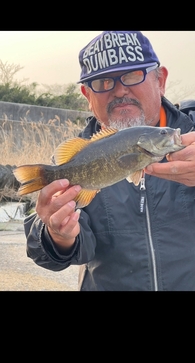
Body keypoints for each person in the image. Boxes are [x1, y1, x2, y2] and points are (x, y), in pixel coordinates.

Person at [24, 31, 195, 291]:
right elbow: (46, 245)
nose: (119, 90)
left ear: (160, 80)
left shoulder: (188, 138)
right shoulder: (78, 158)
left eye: (132, 75)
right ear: (86, 95)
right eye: (103, 82)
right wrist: (56, 235)